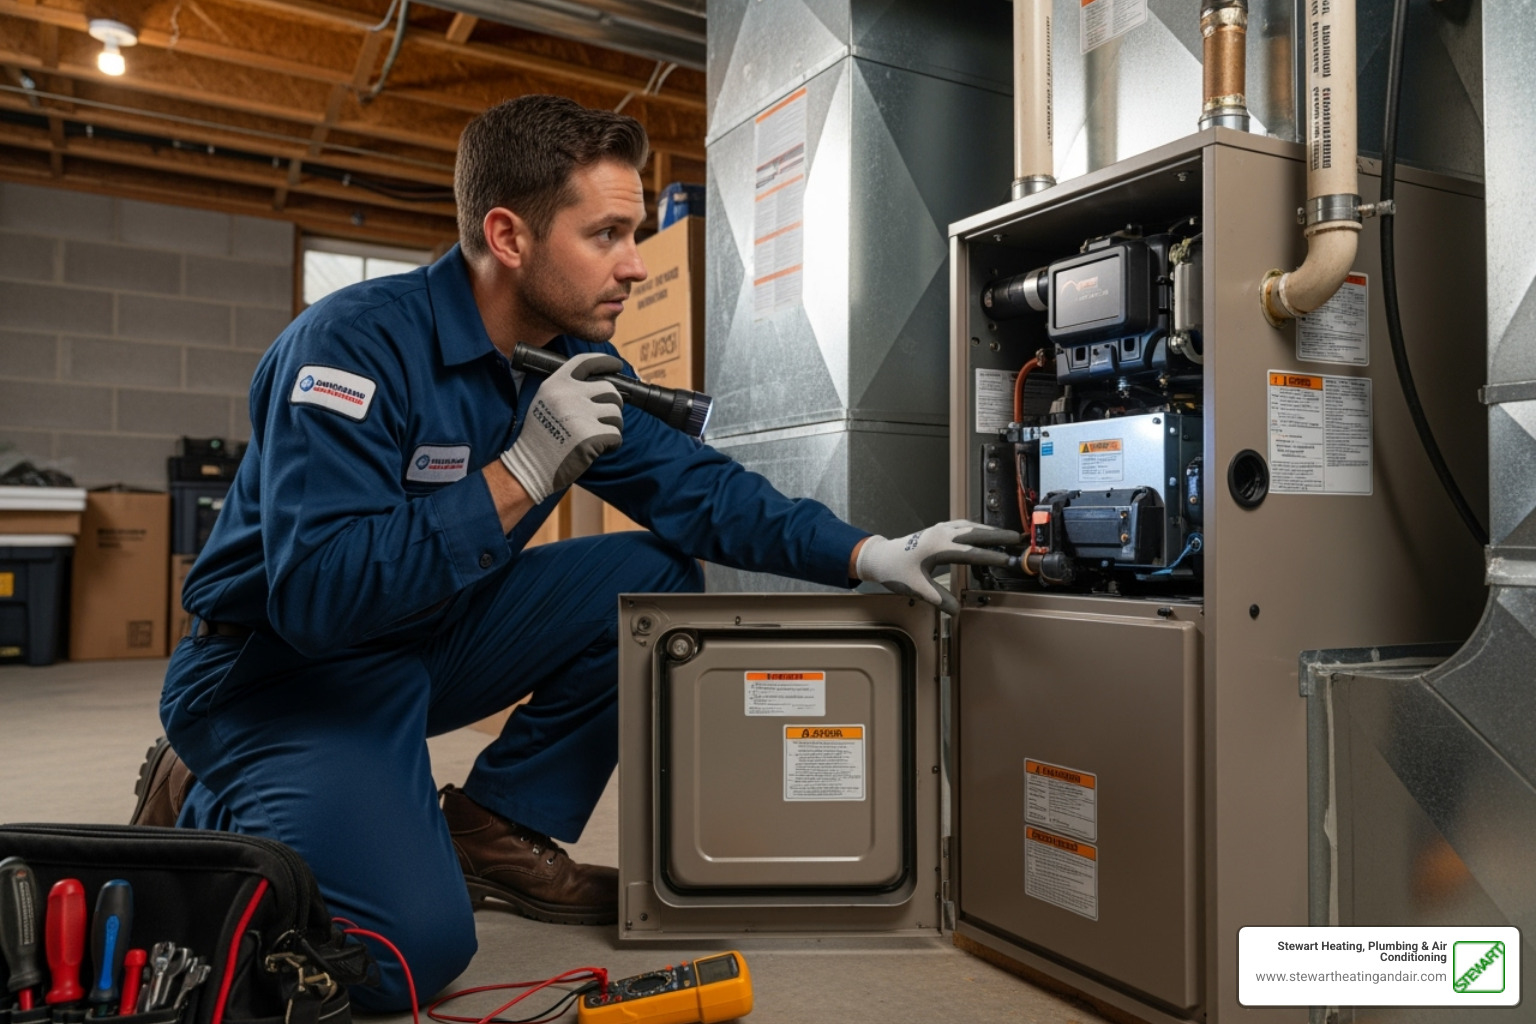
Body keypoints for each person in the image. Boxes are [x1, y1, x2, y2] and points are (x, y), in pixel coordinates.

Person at [133, 94, 1019, 1010]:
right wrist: (521, 471)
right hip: (280, 675)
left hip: (422, 641)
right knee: (403, 956)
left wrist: (871, 552)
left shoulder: (562, 362)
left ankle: (495, 828)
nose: (634, 265)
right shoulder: (352, 346)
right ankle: (208, 791)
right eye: (606, 235)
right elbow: (319, 597)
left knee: (651, 578)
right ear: (508, 236)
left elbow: (701, 493)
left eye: (634, 234)